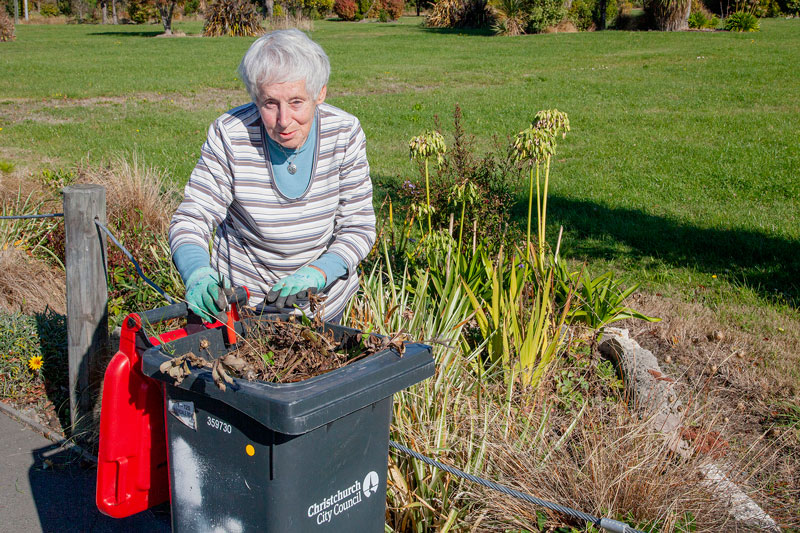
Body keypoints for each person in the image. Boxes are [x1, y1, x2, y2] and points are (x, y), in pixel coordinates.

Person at [169, 29, 375, 324]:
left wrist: (319, 272)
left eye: (296, 102)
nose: (283, 120)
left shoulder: (344, 133)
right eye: (270, 103)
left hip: (321, 309)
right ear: (256, 98)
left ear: (320, 93)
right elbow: (191, 219)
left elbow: (359, 226)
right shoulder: (231, 135)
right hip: (241, 309)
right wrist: (198, 273)